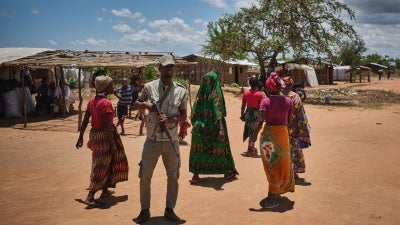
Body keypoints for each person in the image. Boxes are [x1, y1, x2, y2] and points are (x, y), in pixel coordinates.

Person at [133, 54, 187, 224]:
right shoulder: (149, 87)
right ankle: (144, 210)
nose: (169, 69)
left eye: (172, 66)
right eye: (166, 66)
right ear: (160, 68)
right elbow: (136, 103)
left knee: (173, 176)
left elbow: (184, 116)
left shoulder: (181, 90)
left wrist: (170, 120)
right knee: (145, 176)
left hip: (171, 140)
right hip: (152, 139)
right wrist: (146, 105)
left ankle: (169, 209)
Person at [75, 75, 129, 207]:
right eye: (111, 85)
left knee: (102, 161)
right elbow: (106, 126)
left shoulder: (93, 101)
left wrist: (81, 136)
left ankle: (104, 190)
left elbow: (86, 119)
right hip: (105, 137)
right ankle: (90, 196)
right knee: (102, 164)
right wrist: (112, 144)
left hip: (95, 135)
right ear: (105, 87)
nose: (113, 87)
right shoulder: (106, 103)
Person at [252, 72, 294, 209]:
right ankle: (276, 190)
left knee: (271, 165)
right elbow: (290, 120)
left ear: (270, 88)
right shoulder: (288, 101)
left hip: (268, 137)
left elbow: (259, 121)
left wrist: (253, 137)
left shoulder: (266, 101)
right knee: (280, 164)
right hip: (282, 135)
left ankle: (271, 197)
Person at [189, 72, 239, 184]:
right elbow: (218, 110)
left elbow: (193, 112)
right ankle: (227, 172)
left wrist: (196, 123)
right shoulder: (215, 93)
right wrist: (221, 129)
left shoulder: (200, 94)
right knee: (221, 148)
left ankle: (195, 176)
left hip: (199, 126)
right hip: (214, 126)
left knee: (199, 150)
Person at [282, 76, 311, 178]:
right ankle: (292, 171)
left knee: (281, 149)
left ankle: (282, 171)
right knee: (293, 150)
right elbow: (301, 115)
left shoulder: (277, 96)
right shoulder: (295, 97)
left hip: (279, 129)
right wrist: (303, 129)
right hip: (292, 130)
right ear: (291, 85)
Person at [240, 76, 264, 157]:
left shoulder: (246, 93)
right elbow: (262, 107)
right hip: (256, 114)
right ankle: (251, 148)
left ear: (249, 83)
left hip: (248, 114)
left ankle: (250, 148)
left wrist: (242, 114)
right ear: (257, 84)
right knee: (254, 131)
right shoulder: (259, 94)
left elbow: (243, 105)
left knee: (250, 130)